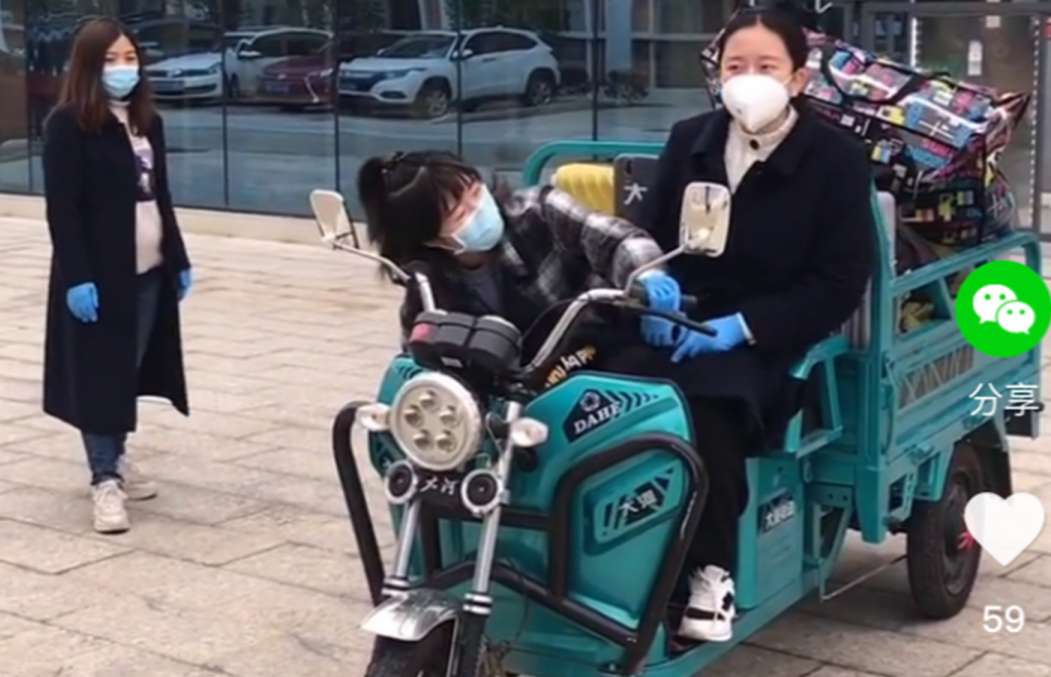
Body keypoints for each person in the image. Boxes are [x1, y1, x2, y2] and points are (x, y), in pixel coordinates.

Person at [633, 4, 876, 642]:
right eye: (734, 65)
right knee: (597, 382)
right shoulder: (690, 139)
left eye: (766, 66)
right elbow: (646, 236)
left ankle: (710, 573)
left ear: (798, 78)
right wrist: (651, 286)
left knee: (704, 408)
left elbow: (839, 282)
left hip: (768, 337)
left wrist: (742, 327)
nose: (748, 78)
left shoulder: (836, 159)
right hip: (676, 320)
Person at [41, 17, 192, 534]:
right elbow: (63, 209)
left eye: (129, 58)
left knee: (126, 371)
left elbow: (161, 197)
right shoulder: (68, 124)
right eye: (110, 60)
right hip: (100, 275)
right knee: (100, 374)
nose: (123, 68)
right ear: (88, 65)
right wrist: (77, 278)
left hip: (148, 271)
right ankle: (104, 478)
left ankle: (117, 456)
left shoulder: (147, 122)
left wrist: (178, 258)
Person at [356, 150, 685, 370]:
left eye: (476, 192)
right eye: (460, 213)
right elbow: (417, 359)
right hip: (514, 395)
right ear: (430, 238)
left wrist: (648, 277)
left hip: (595, 353)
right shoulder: (426, 284)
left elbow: (619, 239)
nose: (478, 208)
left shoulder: (538, 210)